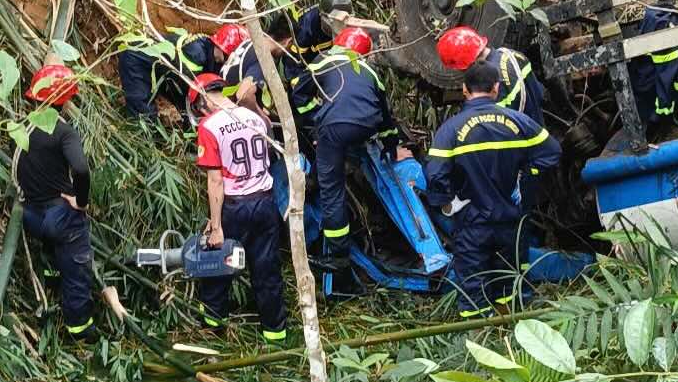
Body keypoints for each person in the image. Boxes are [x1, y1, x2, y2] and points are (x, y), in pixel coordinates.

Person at [425, 60, 561, 318]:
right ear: (496, 88)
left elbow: (434, 173)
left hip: (471, 223)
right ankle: (513, 334)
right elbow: (552, 152)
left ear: (465, 89)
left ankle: (479, 339)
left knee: (473, 290)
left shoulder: (450, 130)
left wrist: (448, 203)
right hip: (511, 221)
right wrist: (525, 173)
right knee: (511, 283)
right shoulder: (519, 122)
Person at [292, 27, 401, 296]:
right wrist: (391, 145)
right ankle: (319, 174)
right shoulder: (371, 72)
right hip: (368, 127)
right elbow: (386, 116)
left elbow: (298, 95)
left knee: (333, 188)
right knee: (333, 153)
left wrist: (315, 120)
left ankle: (338, 254)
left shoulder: (324, 61)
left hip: (335, 128)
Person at [190, 72, 288, 343]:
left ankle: (213, 326)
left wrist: (216, 225)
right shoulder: (255, 117)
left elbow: (215, 180)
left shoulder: (209, 126)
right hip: (266, 201)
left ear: (203, 103)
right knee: (267, 269)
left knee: (217, 266)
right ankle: (275, 332)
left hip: (236, 206)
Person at [13, 65, 96, 341]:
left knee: (54, 252)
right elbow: (81, 170)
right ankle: (80, 330)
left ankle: (51, 279)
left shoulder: (22, 127)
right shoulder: (63, 132)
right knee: (77, 268)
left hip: (31, 215)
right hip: (60, 217)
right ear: (65, 100)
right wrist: (81, 201)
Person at [118, 24, 248, 123]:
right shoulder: (196, 55)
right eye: (226, 56)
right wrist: (187, 117)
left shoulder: (208, 47)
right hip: (137, 60)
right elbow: (183, 89)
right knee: (143, 114)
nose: (226, 61)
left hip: (161, 66)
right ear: (221, 47)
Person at [436, 26, 547, 127]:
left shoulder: (489, 81)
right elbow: (539, 93)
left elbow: (495, 126)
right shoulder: (513, 55)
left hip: (521, 143)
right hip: (538, 128)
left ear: (468, 64)